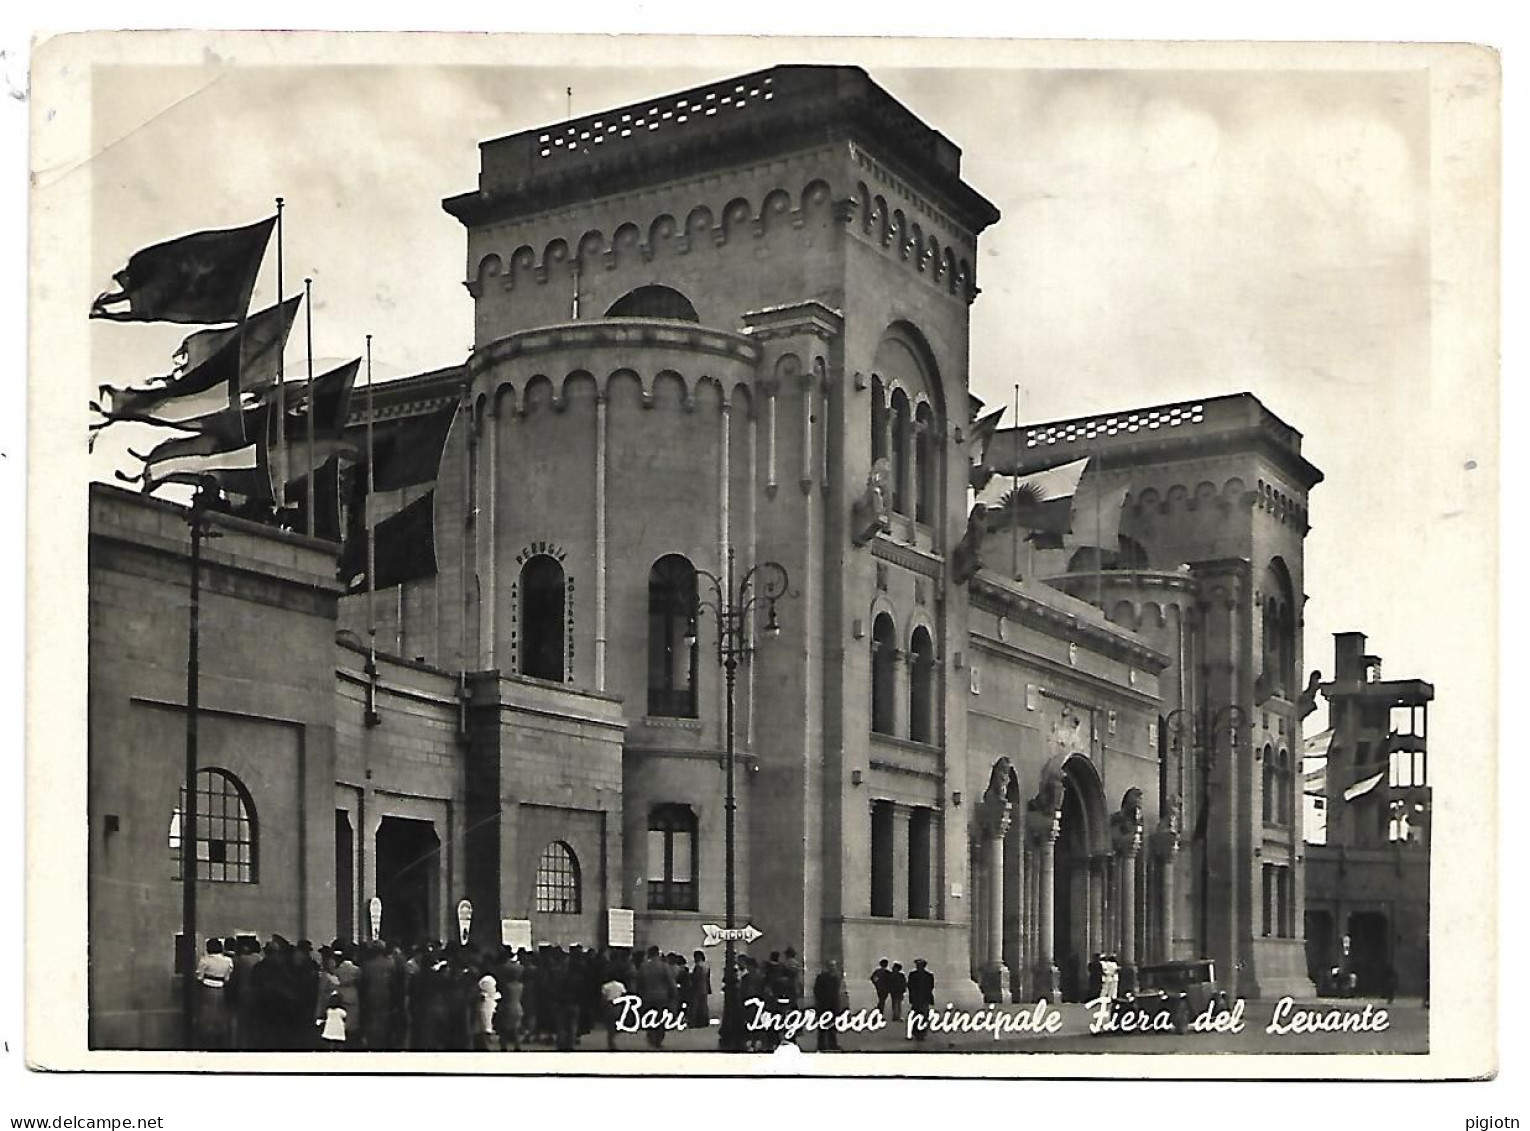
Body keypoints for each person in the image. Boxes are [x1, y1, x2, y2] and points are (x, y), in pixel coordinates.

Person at [193, 938, 234, 1050]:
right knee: (219, 1015)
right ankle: (219, 1039)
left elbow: (199, 977)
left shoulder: (205, 960)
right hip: (220, 989)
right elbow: (227, 978)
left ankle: (206, 1040)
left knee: (206, 1015)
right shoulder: (228, 961)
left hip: (207, 988)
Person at [636, 945, 678, 1049]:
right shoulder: (664, 966)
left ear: (649, 954)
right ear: (658, 954)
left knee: (649, 1017)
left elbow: (639, 982)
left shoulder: (643, 966)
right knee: (660, 1019)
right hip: (662, 997)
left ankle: (650, 1037)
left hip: (647, 997)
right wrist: (674, 994)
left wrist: (640, 993)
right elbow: (670, 982)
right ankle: (658, 1040)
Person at [812, 960, 843, 1052]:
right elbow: (816, 990)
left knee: (832, 1026)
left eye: (833, 966)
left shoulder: (836, 978)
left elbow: (837, 993)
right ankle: (822, 1045)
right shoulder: (822, 977)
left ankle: (832, 1044)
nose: (832, 967)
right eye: (831, 966)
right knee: (822, 1026)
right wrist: (820, 1000)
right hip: (823, 1005)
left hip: (832, 1005)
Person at [907, 958, 935, 1042]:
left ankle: (917, 1032)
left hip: (917, 998)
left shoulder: (913, 975)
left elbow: (910, 986)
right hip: (924, 999)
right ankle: (921, 1033)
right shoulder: (929, 975)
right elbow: (931, 987)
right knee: (923, 1016)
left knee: (916, 1015)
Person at [689, 950, 712, 1028]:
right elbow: (708, 978)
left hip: (697, 988)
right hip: (704, 987)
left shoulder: (698, 966)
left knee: (695, 1006)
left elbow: (695, 977)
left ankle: (695, 1022)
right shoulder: (706, 966)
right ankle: (704, 1021)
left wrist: (690, 976)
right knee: (703, 1006)